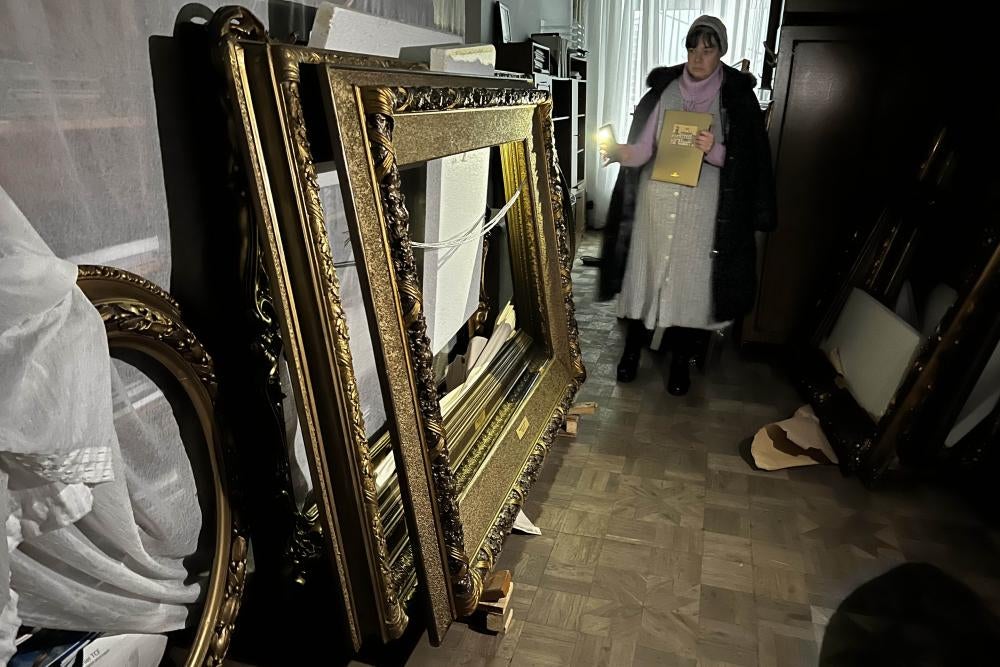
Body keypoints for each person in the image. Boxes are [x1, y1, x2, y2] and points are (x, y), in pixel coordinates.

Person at [598, 15, 776, 395]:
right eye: (693, 48)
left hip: (702, 211)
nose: (697, 57)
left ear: (721, 53)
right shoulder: (665, 92)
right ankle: (631, 351)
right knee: (644, 276)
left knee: (689, 285)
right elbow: (644, 149)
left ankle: (681, 360)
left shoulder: (735, 98)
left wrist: (715, 151)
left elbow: (748, 163)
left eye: (707, 50)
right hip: (655, 204)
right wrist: (618, 152)